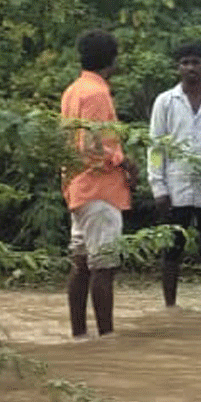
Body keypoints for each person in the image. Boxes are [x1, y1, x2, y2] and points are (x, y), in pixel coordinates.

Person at [147, 42, 201, 310]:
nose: (190, 68)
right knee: (172, 251)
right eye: (185, 63)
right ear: (178, 68)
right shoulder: (165, 102)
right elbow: (156, 147)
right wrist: (158, 188)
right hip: (176, 189)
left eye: (196, 62)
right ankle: (170, 307)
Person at [61, 29, 137, 338]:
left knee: (81, 264)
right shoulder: (96, 93)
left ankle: (79, 335)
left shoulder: (73, 90)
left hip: (78, 187)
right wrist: (124, 161)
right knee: (103, 266)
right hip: (99, 189)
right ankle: (107, 337)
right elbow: (91, 146)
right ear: (112, 59)